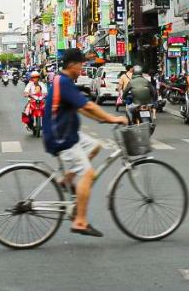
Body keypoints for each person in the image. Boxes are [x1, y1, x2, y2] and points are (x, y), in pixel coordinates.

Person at [44, 49, 127, 237]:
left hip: (68, 132)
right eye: (81, 64)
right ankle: (80, 221)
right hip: (61, 136)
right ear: (72, 64)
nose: (83, 68)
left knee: (96, 145)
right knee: (88, 173)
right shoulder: (64, 82)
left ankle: (67, 179)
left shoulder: (63, 80)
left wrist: (103, 119)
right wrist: (112, 119)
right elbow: (88, 105)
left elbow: (82, 109)